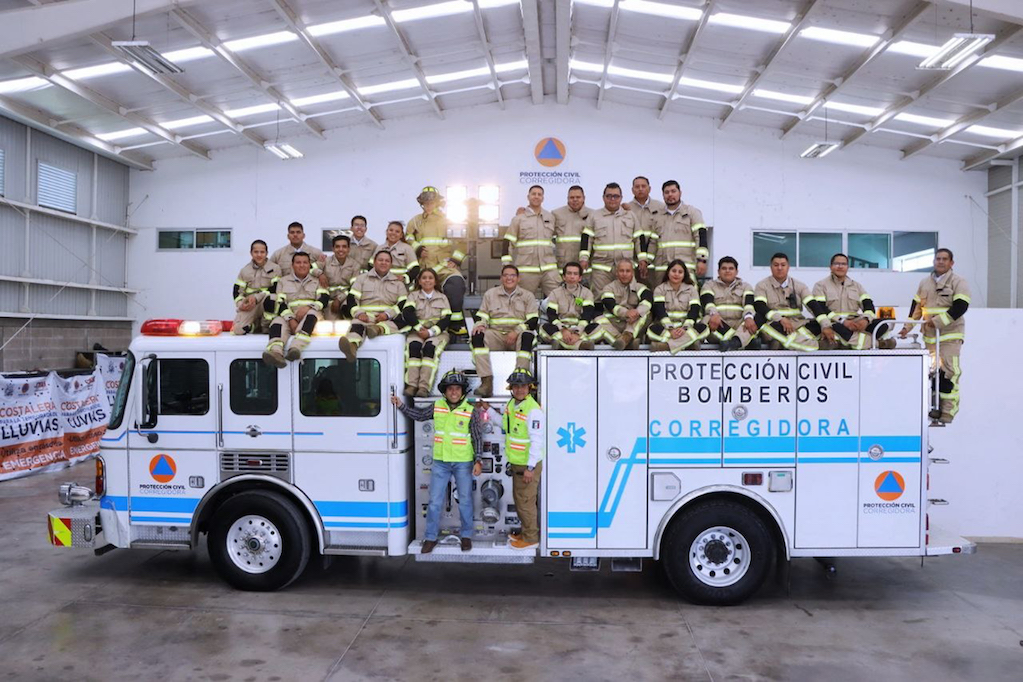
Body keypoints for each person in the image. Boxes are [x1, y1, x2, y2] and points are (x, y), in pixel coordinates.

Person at [391, 370, 483, 553]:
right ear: (445, 391)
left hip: (463, 462)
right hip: (441, 462)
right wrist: (401, 405)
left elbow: (477, 438)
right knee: (434, 501)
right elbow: (418, 415)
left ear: (463, 391)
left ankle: (466, 536)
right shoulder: (437, 406)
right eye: (450, 389)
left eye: (457, 389)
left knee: (465, 500)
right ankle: (430, 537)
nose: (454, 392)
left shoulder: (471, 410)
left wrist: (478, 460)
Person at [898, 248, 970, 423]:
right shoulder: (924, 283)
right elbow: (916, 308)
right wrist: (907, 328)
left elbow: (961, 306)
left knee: (949, 372)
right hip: (930, 337)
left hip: (949, 335)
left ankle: (948, 410)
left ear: (951, 263)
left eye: (945, 259)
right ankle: (934, 407)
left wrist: (937, 322)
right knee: (932, 373)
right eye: (938, 258)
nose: (940, 261)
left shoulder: (958, 282)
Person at [477, 369, 544, 550]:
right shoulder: (513, 405)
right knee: (520, 500)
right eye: (516, 386)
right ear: (511, 388)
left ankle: (531, 539)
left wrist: (530, 467)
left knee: (525, 503)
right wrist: (488, 410)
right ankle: (525, 532)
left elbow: (537, 441)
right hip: (517, 464)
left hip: (526, 465)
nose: (520, 390)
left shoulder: (533, 410)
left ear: (529, 388)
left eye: (523, 386)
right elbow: (503, 424)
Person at [407, 186, 468, 335]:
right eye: (425, 202)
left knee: (456, 285)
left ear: (438, 203)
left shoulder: (449, 220)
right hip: (425, 269)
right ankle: (420, 328)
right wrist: (417, 248)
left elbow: (463, 241)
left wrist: (456, 259)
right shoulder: (415, 221)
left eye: (431, 202)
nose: (428, 205)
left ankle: (455, 324)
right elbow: (408, 237)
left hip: (445, 267)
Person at [471, 264, 539, 397]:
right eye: (506, 275)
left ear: (518, 279)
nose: (509, 278)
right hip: (496, 334)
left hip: (518, 335)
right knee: (477, 335)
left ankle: (521, 379)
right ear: (501, 278)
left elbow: (533, 320)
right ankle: (486, 382)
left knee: (527, 336)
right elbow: (482, 315)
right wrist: (480, 324)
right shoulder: (490, 294)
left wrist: (517, 331)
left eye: (512, 275)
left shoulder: (527, 296)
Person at [338, 250, 409, 362]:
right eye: (380, 260)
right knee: (357, 324)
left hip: (388, 319)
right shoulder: (362, 279)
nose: (383, 263)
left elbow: (403, 303)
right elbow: (351, 299)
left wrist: (387, 315)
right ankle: (352, 347)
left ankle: (378, 329)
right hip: (366, 317)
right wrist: (359, 313)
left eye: (387, 261)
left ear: (391, 264)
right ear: (374, 262)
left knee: (405, 320)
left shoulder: (398, 283)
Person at [812, 253, 893, 350]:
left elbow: (869, 306)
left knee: (882, 325)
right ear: (830, 267)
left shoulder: (857, 286)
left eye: (843, 264)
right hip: (833, 323)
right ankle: (878, 344)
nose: (840, 266)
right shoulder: (821, 285)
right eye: (837, 264)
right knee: (839, 329)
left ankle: (844, 344)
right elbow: (820, 309)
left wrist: (865, 320)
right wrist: (843, 321)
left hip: (855, 324)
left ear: (847, 267)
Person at [262, 252, 328, 368]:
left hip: (311, 313)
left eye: (305, 263)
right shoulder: (283, 281)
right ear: (292, 265)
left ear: (309, 265)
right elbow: (280, 303)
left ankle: (295, 348)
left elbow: (324, 299)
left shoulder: (318, 281)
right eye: (298, 262)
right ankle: (276, 352)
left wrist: (308, 308)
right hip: (289, 315)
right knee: (277, 321)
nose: (301, 265)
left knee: (312, 315)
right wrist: (290, 319)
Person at [579, 182, 641, 295]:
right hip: (602, 268)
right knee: (600, 297)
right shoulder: (594, 216)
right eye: (609, 196)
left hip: (625, 266)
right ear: (603, 198)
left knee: (628, 297)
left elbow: (638, 238)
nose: (612, 199)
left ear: (621, 198)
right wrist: (584, 258)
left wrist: (643, 260)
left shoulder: (630, 216)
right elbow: (587, 238)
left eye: (616, 196)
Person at [401, 268, 452, 397]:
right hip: (417, 331)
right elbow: (407, 312)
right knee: (414, 347)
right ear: (419, 281)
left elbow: (446, 319)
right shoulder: (413, 296)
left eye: (430, 278)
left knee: (429, 349)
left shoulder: (442, 298)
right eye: (424, 278)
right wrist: (419, 328)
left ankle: (423, 387)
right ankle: (412, 385)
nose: (427, 280)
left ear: (435, 281)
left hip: (438, 333)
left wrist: (430, 333)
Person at [753, 253, 820, 352]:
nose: (779, 268)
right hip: (774, 323)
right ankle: (813, 344)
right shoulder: (762, 285)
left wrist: (825, 325)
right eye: (776, 265)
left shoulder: (799, 285)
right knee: (812, 346)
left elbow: (812, 305)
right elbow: (760, 306)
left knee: (823, 328)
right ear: (771, 267)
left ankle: (783, 343)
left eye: (783, 265)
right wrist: (780, 319)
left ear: (788, 267)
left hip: (797, 323)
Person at [649, 180, 708, 288]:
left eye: (673, 191)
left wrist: (702, 260)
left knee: (688, 297)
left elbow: (700, 236)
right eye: (666, 192)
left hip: (685, 266)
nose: (670, 195)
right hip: (662, 268)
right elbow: (653, 242)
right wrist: (646, 261)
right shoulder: (657, 216)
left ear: (680, 193)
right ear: (663, 195)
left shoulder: (692, 213)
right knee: (661, 299)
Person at [504, 185, 559, 297]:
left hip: (549, 269)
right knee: (523, 301)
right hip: (526, 270)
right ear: (528, 197)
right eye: (533, 194)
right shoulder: (519, 219)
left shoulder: (550, 217)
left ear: (543, 198)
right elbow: (508, 242)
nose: (536, 197)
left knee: (558, 299)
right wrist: (506, 265)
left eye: (539, 194)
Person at [647, 259, 707, 353]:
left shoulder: (691, 289)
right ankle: (687, 344)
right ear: (668, 272)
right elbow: (660, 311)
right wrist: (670, 329)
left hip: (685, 327)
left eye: (680, 272)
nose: (676, 274)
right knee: (651, 330)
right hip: (667, 328)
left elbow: (694, 311)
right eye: (673, 271)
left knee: (705, 329)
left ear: (684, 274)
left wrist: (684, 328)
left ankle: (666, 346)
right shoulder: (660, 289)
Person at [701, 256, 759, 351]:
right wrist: (714, 314)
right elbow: (708, 304)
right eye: (724, 268)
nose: (727, 271)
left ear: (736, 272)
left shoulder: (746, 286)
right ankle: (743, 341)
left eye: (731, 268)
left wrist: (748, 317)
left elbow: (749, 306)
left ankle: (734, 342)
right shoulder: (709, 285)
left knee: (753, 319)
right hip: (718, 324)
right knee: (707, 319)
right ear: (718, 271)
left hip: (738, 325)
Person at [540, 262, 601, 350]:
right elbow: (551, 315)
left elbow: (587, 315)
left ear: (580, 278)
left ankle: (561, 344)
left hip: (579, 327)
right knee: (543, 328)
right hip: (560, 328)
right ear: (563, 277)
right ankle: (580, 344)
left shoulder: (587, 293)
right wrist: (563, 330)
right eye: (569, 273)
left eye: (575, 274)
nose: (572, 277)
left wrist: (577, 333)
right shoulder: (555, 293)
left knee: (599, 328)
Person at [597, 259, 653, 350]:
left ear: (633, 273)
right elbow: (610, 304)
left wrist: (637, 312)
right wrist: (626, 313)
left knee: (646, 313)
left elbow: (647, 301)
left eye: (627, 271)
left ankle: (626, 337)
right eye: (621, 271)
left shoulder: (641, 287)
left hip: (632, 324)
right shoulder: (608, 288)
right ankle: (625, 341)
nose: (624, 274)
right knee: (598, 318)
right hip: (615, 323)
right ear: (616, 273)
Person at [623, 176, 666, 286]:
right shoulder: (626, 209)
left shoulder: (661, 207)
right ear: (632, 190)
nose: (640, 189)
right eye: (637, 187)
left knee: (656, 290)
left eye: (643, 186)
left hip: (656, 258)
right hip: (634, 259)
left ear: (649, 189)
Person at [232, 239, 280, 335]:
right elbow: (237, 291)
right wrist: (241, 304)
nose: (259, 255)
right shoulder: (245, 270)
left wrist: (256, 297)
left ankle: (266, 325)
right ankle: (255, 326)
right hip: (250, 305)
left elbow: (276, 288)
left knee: (272, 298)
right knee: (237, 330)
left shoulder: (275, 268)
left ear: (266, 253)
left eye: (262, 252)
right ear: (251, 253)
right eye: (256, 252)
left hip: (265, 301)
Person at [320, 234, 361, 321]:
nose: (341, 249)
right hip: (329, 301)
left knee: (350, 323)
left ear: (349, 249)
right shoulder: (325, 262)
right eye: (337, 247)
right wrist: (320, 274)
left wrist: (339, 299)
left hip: (346, 300)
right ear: (333, 249)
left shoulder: (355, 265)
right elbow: (312, 268)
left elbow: (354, 287)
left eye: (344, 247)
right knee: (331, 327)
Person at [552, 185, 590, 272]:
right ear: (567, 198)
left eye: (578, 197)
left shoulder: (593, 215)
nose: (575, 200)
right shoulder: (556, 214)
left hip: (585, 265)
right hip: (562, 264)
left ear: (584, 198)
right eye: (572, 197)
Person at [377, 220, 420, 286]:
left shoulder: (407, 248)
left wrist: (405, 277)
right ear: (386, 232)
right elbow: (371, 266)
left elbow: (415, 269)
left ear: (401, 235)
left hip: (401, 285)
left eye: (397, 231)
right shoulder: (379, 248)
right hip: (382, 285)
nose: (393, 233)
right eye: (391, 230)